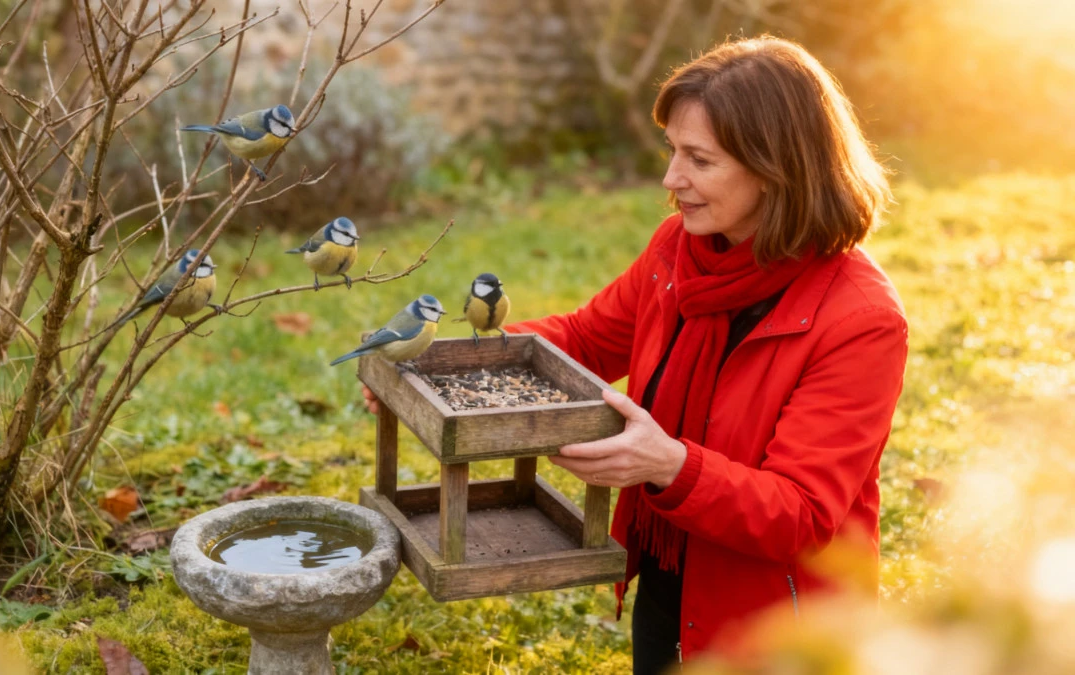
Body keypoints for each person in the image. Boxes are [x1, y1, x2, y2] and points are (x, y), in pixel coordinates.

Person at [363, 36, 907, 671]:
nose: (672, 179)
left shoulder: (861, 320)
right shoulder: (679, 248)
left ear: (775, 169)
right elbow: (590, 338)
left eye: (700, 160)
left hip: (781, 624)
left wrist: (669, 464)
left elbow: (802, 514)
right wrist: (433, 368)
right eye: (672, 150)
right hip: (671, 568)